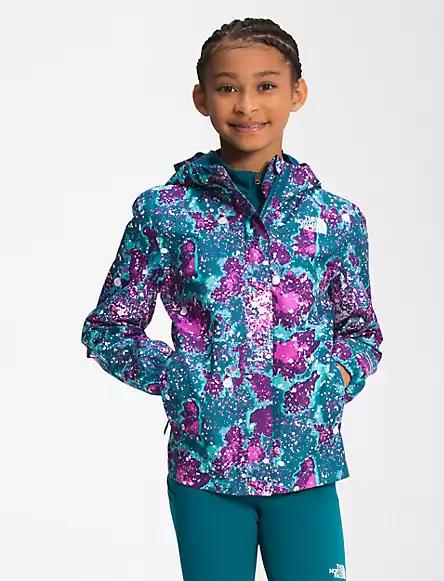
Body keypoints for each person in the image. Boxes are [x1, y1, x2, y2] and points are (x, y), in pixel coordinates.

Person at [81, 17, 383, 581]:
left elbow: (361, 332)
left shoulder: (335, 219)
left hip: (306, 463)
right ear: (202, 98)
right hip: (206, 465)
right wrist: (183, 380)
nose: (247, 104)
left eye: (266, 85)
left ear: (297, 92)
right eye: (227, 87)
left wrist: (334, 378)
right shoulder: (165, 213)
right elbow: (108, 330)